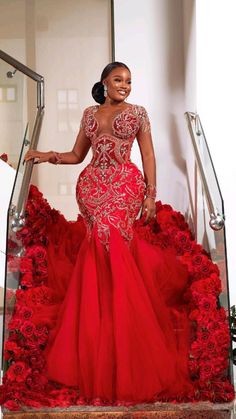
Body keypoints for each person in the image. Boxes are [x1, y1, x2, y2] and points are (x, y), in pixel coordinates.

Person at [24, 62, 193, 404]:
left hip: (125, 184)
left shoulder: (139, 114)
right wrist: (45, 155)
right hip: (92, 187)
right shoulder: (89, 114)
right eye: (118, 80)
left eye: (129, 81)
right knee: (97, 252)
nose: (125, 86)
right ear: (104, 83)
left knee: (112, 242)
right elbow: (76, 155)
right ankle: (102, 338)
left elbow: (147, 153)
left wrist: (149, 195)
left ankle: (127, 346)